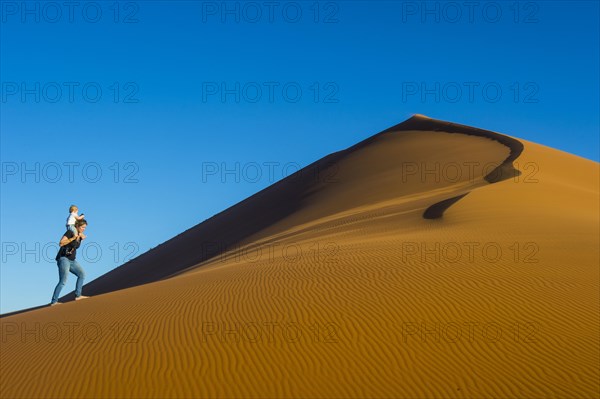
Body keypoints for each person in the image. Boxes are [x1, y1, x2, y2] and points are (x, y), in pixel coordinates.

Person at [50, 219, 90, 306]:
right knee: (63, 281)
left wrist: (81, 239)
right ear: (77, 226)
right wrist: (73, 237)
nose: (84, 229)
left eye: (85, 228)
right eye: (83, 227)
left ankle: (78, 295)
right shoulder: (70, 232)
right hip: (63, 258)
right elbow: (61, 243)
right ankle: (54, 302)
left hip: (72, 260)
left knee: (82, 274)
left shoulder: (79, 235)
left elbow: (75, 246)